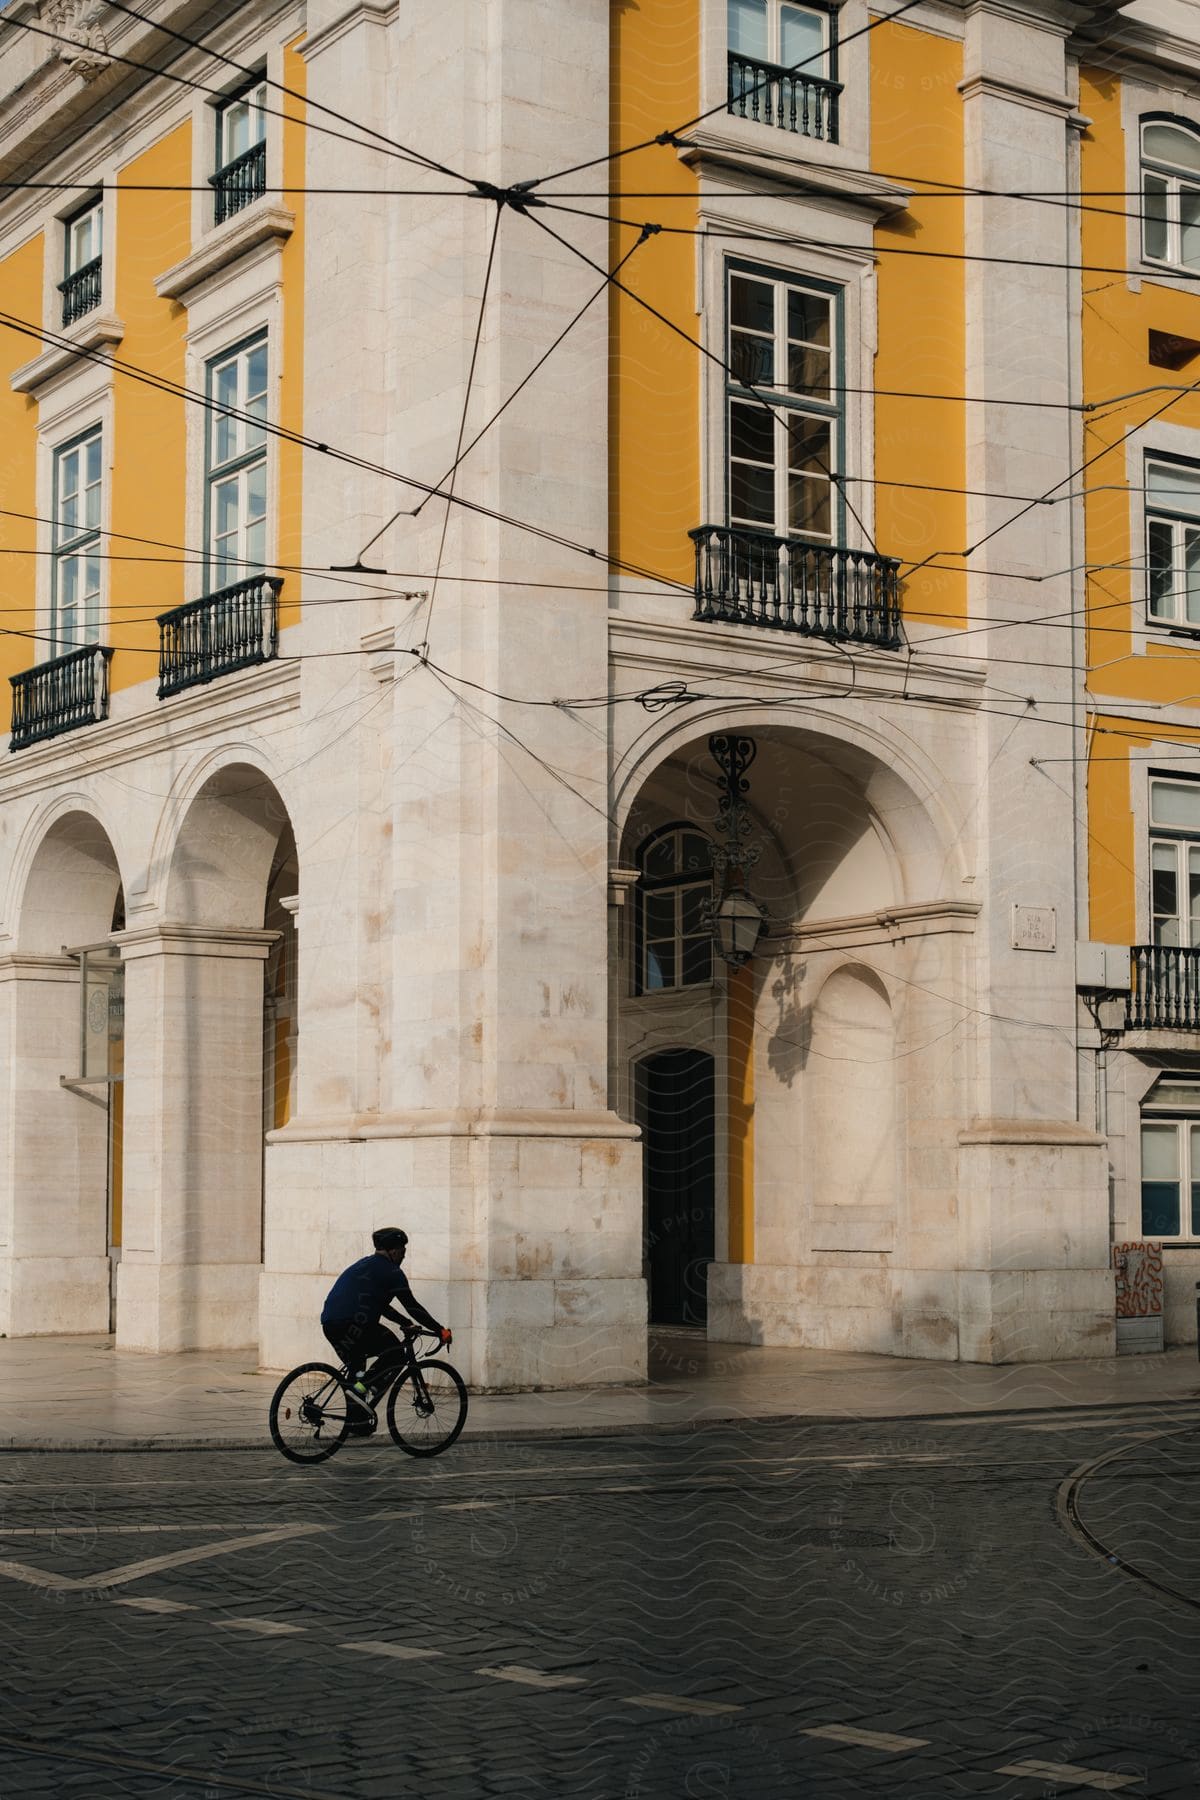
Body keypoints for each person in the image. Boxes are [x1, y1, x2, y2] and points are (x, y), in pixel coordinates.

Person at [321, 1227, 451, 1436]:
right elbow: (412, 1306)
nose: (403, 1255)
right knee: (396, 1353)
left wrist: (403, 1321)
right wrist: (440, 1330)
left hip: (330, 1324)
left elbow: (381, 1306)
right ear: (391, 1251)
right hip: (354, 1325)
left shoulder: (364, 1265)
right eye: (401, 1251)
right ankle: (366, 1388)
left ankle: (357, 1420)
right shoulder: (392, 1272)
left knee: (356, 1370)